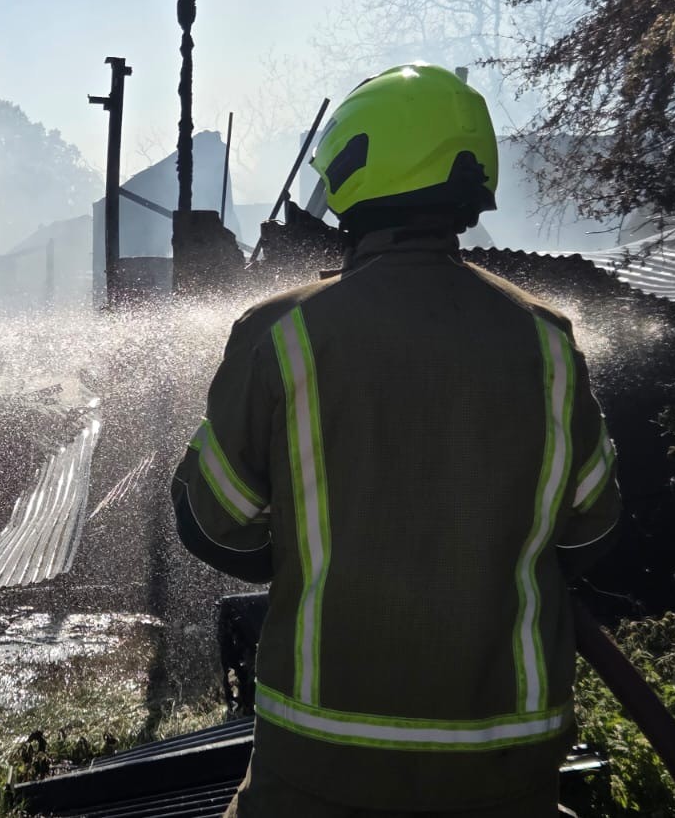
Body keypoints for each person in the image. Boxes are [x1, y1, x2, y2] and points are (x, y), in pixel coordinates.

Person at [173, 63, 620, 817]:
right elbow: (592, 532)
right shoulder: (548, 341)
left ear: (353, 165)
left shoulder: (282, 333)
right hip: (509, 762)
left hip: (321, 758)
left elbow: (211, 522)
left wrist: (315, 554)